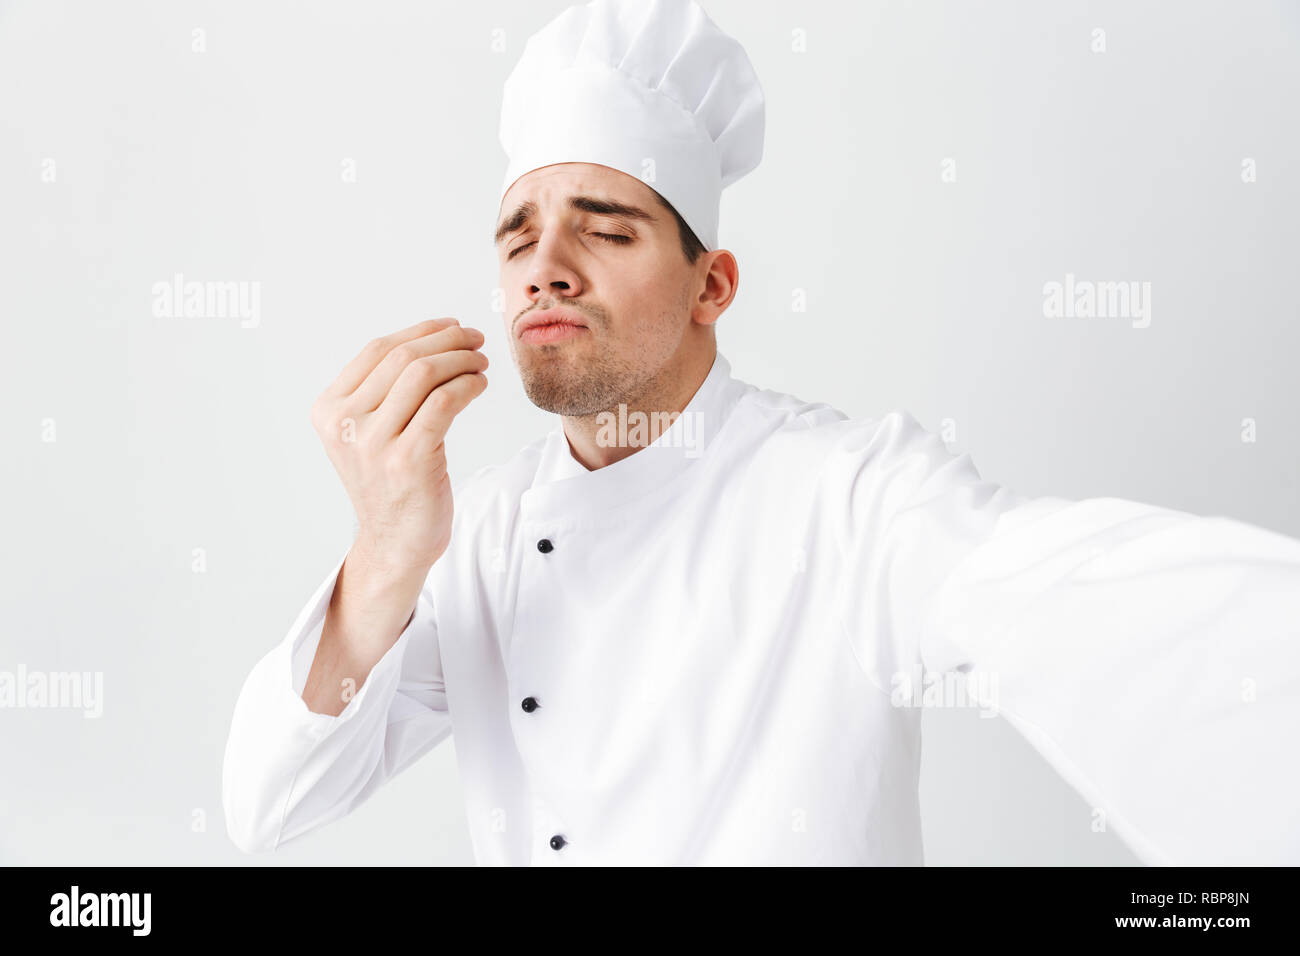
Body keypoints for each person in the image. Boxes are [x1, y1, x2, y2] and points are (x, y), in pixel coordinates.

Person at [221, 0, 1300, 865]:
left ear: (711, 284)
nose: (547, 261)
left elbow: (1080, 600)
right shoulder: (481, 535)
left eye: (604, 226)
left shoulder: (849, 496)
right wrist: (384, 553)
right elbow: (267, 804)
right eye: (519, 238)